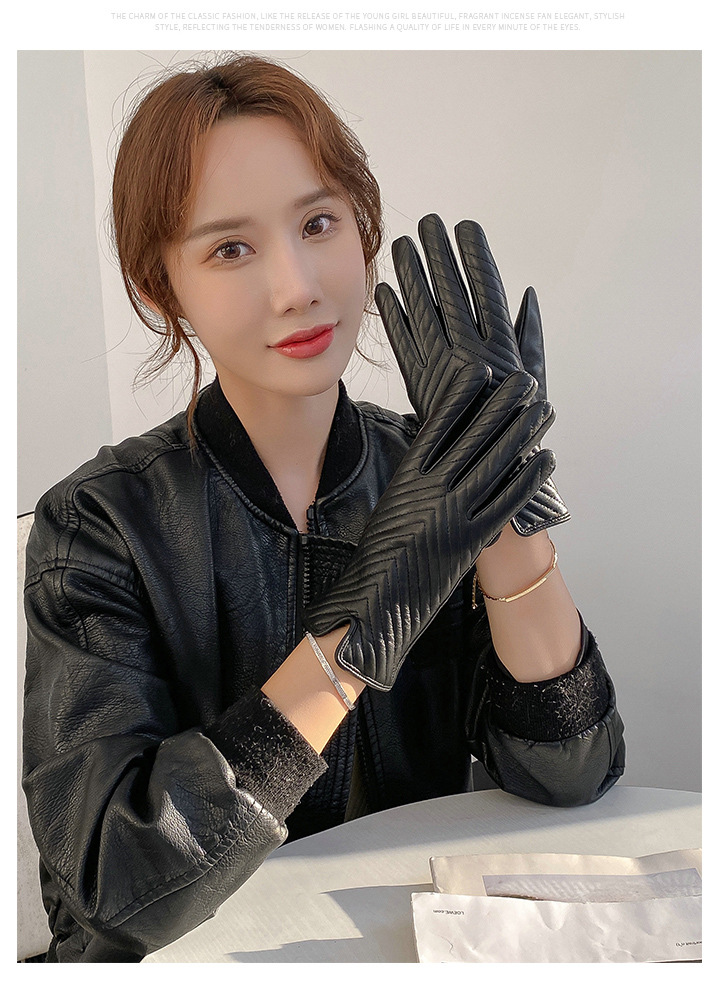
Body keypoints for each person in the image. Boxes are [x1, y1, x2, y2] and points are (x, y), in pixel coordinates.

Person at [22, 53, 625, 963]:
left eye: (318, 223)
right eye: (230, 248)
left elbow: (571, 773)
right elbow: (116, 889)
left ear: (364, 230)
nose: (297, 285)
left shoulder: (427, 470)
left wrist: (503, 501)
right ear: (160, 288)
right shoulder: (98, 525)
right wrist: (360, 629)